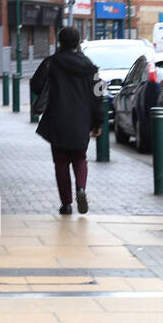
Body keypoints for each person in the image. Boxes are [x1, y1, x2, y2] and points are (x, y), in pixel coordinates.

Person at [29, 26, 104, 216]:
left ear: (60, 42)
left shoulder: (51, 63)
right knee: (80, 157)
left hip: (57, 118)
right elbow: (98, 95)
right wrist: (97, 123)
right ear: (78, 42)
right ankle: (81, 188)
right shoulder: (90, 66)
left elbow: (35, 83)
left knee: (61, 162)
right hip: (81, 120)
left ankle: (66, 204)